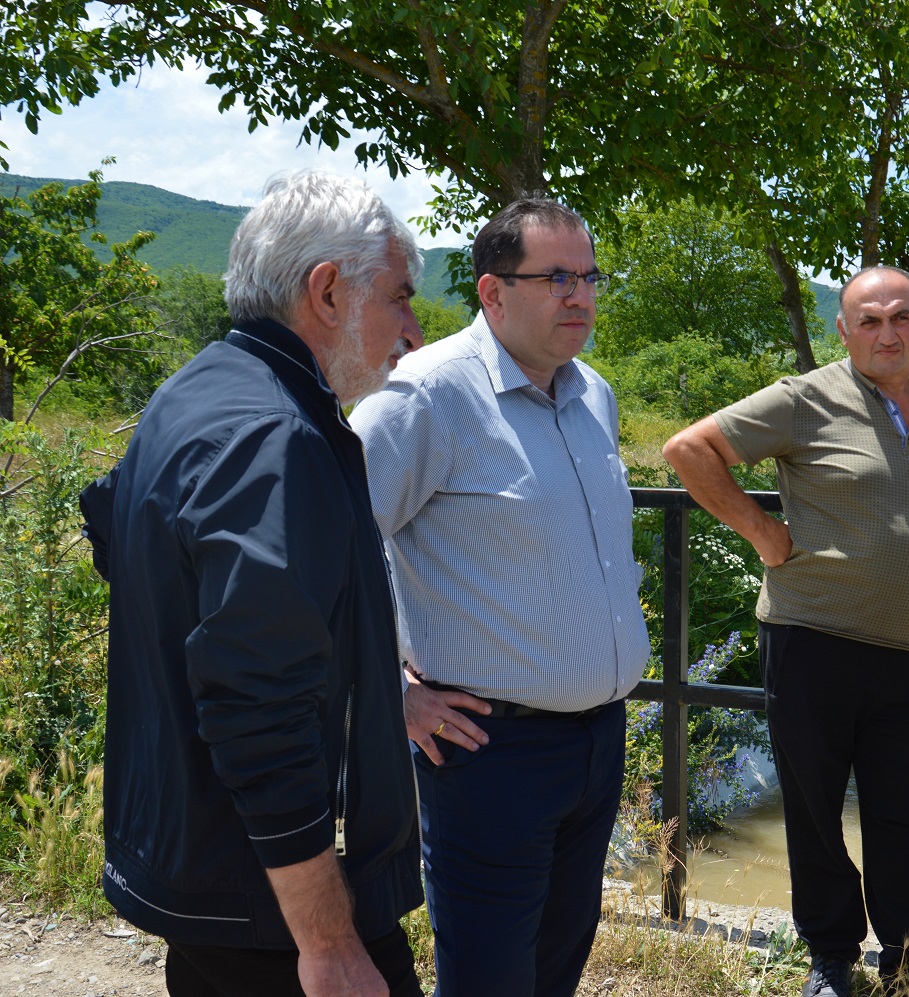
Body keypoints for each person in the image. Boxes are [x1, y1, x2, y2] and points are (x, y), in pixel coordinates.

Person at [662, 266, 909, 997]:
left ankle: (908, 954)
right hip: (811, 640)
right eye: (869, 321)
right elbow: (688, 449)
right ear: (843, 331)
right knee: (814, 809)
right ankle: (830, 957)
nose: (887, 333)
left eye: (901, 317)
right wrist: (761, 532)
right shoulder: (804, 399)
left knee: (905, 816)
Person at [78, 171, 427, 997]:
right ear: (328, 292)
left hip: (204, 878)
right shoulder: (278, 436)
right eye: (400, 298)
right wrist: (329, 942)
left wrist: (371, 685)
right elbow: (257, 702)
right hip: (273, 912)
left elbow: (126, 543)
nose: (413, 332)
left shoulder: (194, 390)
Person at [349, 198, 649, 997]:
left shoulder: (594, 394)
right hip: (489, 750)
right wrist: (391, 689)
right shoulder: (425, 394)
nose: (579, 295)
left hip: (596, 743)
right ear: (492, 292)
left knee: (556, 966)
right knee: (490, 978)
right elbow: (332, 549)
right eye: (556, 278)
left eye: (589, 276)